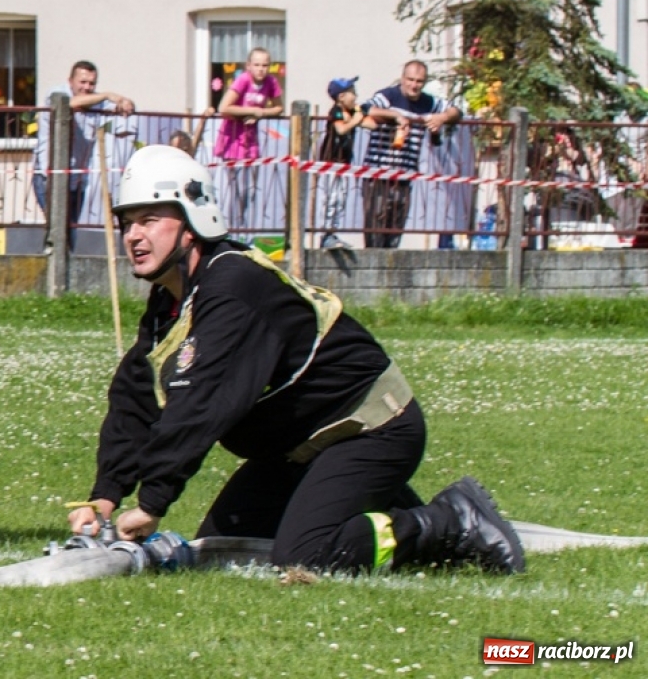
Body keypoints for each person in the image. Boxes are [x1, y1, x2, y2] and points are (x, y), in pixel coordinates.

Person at [66, 144, 524, 575]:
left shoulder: (232, 288)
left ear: (192, 222)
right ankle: (384, 507)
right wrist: (105, 496)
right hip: (298, 449)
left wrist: (153, 501)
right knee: (229, 545)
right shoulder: (172, 300)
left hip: (369, 431)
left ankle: (448, 521)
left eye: (149, 220)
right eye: (127, 223)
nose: (134, 235)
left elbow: (201, 402)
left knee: (305, 554)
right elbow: (137, 395)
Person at [361, 61, 461, 249]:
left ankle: (391, 264)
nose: (414, 85)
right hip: (378, 175)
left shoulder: (428, 102)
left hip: (405, 176)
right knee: (375, 228)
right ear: (402, 78)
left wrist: (441, 118)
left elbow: (456, 111)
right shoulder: (389, 96)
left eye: (419, 81)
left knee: (395, 230)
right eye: (410, 80)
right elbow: (365, 108)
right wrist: (394, 116)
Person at [31, 61, 135, 235]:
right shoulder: (56, 93)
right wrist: (107, 95)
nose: (87, 87)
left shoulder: (96, 101)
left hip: (77, 180)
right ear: (70, 81)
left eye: (91, 83)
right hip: (48, 176)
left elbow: (128, 106)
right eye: (82, 82)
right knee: (58, 231)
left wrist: (124, 102)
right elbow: (69, 104)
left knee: (70, 234)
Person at [214, 48, 284, 238]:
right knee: (231, 194)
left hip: (250, 142)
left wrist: (261, 113)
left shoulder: (271, 82)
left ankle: (245, 234)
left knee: (248, 192)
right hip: (232, 141)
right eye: (257, 65)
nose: (261, 69)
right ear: (249, 66)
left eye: (265, 65)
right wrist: (250, 111)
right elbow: (224, 107)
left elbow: (279, 107)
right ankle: (229, 232)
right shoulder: (243, 80)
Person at [318, 77, 365, 249]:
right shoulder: (336, 111)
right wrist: (355, 120)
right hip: (331, 162)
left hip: (344, 162)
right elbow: (341, 129)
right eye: (352, 93)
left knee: (341, 198)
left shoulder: (352, 112)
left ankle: (334, 232)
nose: (356, 96)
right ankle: (326, 234)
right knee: (330, 198)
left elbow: (371, 125)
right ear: (341, 96)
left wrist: (361, 115)